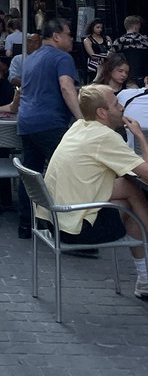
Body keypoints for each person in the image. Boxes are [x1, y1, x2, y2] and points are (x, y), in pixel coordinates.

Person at [42, 84, 148, 297]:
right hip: (76, 228)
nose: (122, 107)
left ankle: (145, 279)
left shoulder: (79, 126)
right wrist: (140, 137)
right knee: (133, 198)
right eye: (116, 103)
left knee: (130, 193)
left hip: (54, 219)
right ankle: (144, 278)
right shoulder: (105, 138)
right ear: (102, 113)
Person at [16, 17, 80, 239]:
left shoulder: (31, 58)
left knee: (31, 171)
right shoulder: (63, 58)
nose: (72, 39)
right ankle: (66, 230)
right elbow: (66, 87)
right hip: (50, 122)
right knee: (65, 172)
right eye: (69, 34)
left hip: (27, 121)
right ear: (56, 36)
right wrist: (81, 118)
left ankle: (26, 223)